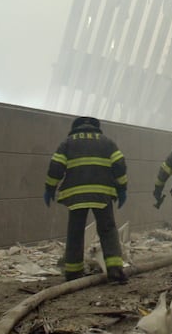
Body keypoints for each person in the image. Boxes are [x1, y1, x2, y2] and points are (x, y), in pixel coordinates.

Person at [44, 116, 128, 284]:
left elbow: (55, 167)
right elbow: (119, 165)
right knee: (108, 230)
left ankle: (73, 273)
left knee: (75, 232)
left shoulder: (67, 143)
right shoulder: (107, 142)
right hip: (102, 194)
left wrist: (50, 188)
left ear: (76, 128)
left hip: (76, 195)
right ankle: (115, 272)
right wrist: (122, 188)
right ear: (96, 128)